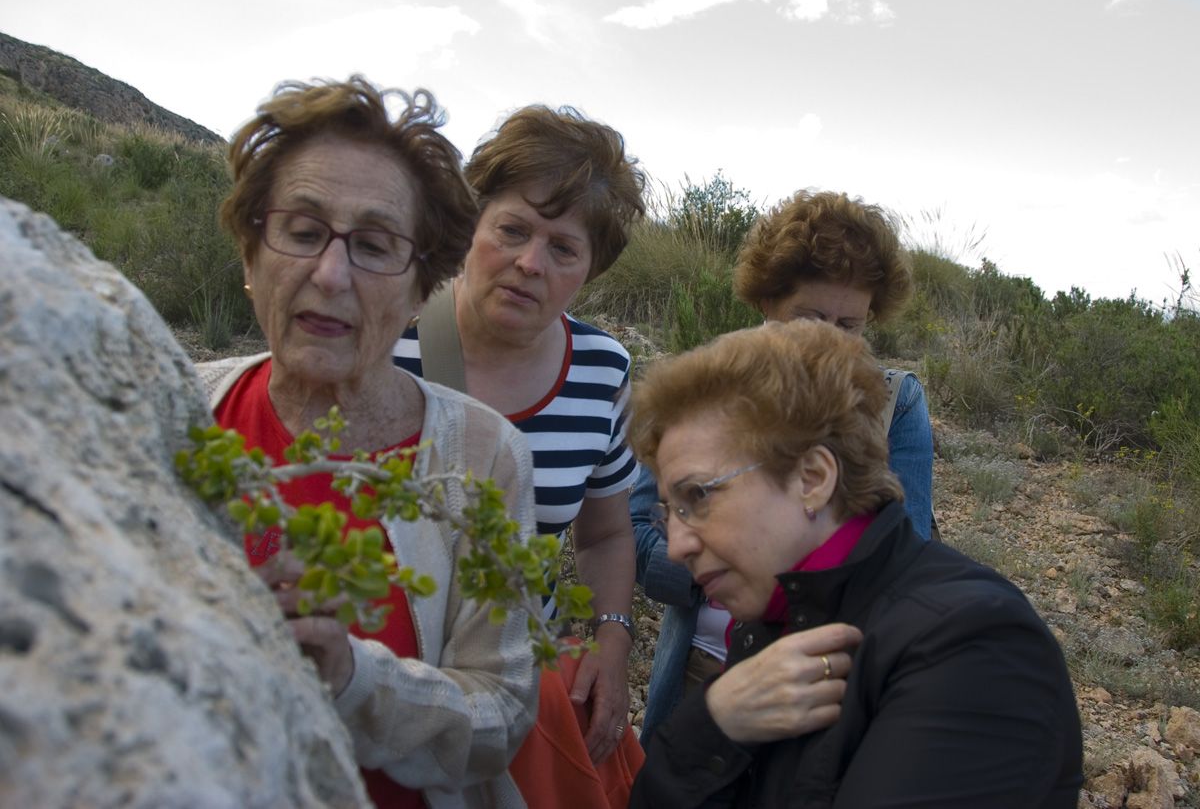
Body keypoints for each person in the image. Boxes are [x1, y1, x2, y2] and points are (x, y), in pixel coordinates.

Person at [196, 76, 538, 808]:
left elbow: (503, 715)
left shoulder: (484, 457)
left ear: (420, 290)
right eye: (302, 232)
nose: (330, 273)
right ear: (251, 257)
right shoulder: (177, 408)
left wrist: (352, 677)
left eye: (375, 246)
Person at [628, 320, 1083, 807]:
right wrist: (713, 724)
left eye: (698, 496)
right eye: (668, 513)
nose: (676, 547)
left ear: (812, 477)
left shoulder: (973, 647)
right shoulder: (774, 622)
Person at [392, 104, 646, 805]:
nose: (530, 263)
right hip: (377, 667)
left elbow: (605, 532)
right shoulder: (385, 335)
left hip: (511, 680)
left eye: (564, 249)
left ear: (590, 269)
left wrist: (611, 640)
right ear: (472, 224)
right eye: (512, 230)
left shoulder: (602, 371)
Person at [632, 190, 935, 743]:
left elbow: (907, 555)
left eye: (849, 325)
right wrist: (718, 569)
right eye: (810, 317)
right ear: (767, 301)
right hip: (703, 667)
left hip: (823, 680)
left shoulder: (895, 403)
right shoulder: (704, 388)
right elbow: (636, 528)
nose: (826, 341)